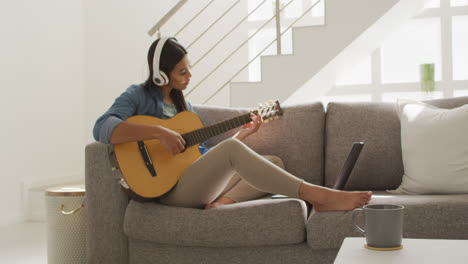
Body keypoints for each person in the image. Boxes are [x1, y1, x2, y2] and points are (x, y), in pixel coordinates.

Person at [93, 37, 372, 211]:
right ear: (160, 75)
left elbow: (199, 157)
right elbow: (102, 127)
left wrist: (243, 135)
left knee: (273, 161)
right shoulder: (137, 96)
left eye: (189, 68)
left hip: (191, 183)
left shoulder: (184, 109)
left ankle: (222, 203)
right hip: (166, 191)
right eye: (181, 71)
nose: (189, 76)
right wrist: (158, 132)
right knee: (230, 151)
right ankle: (318, 196)